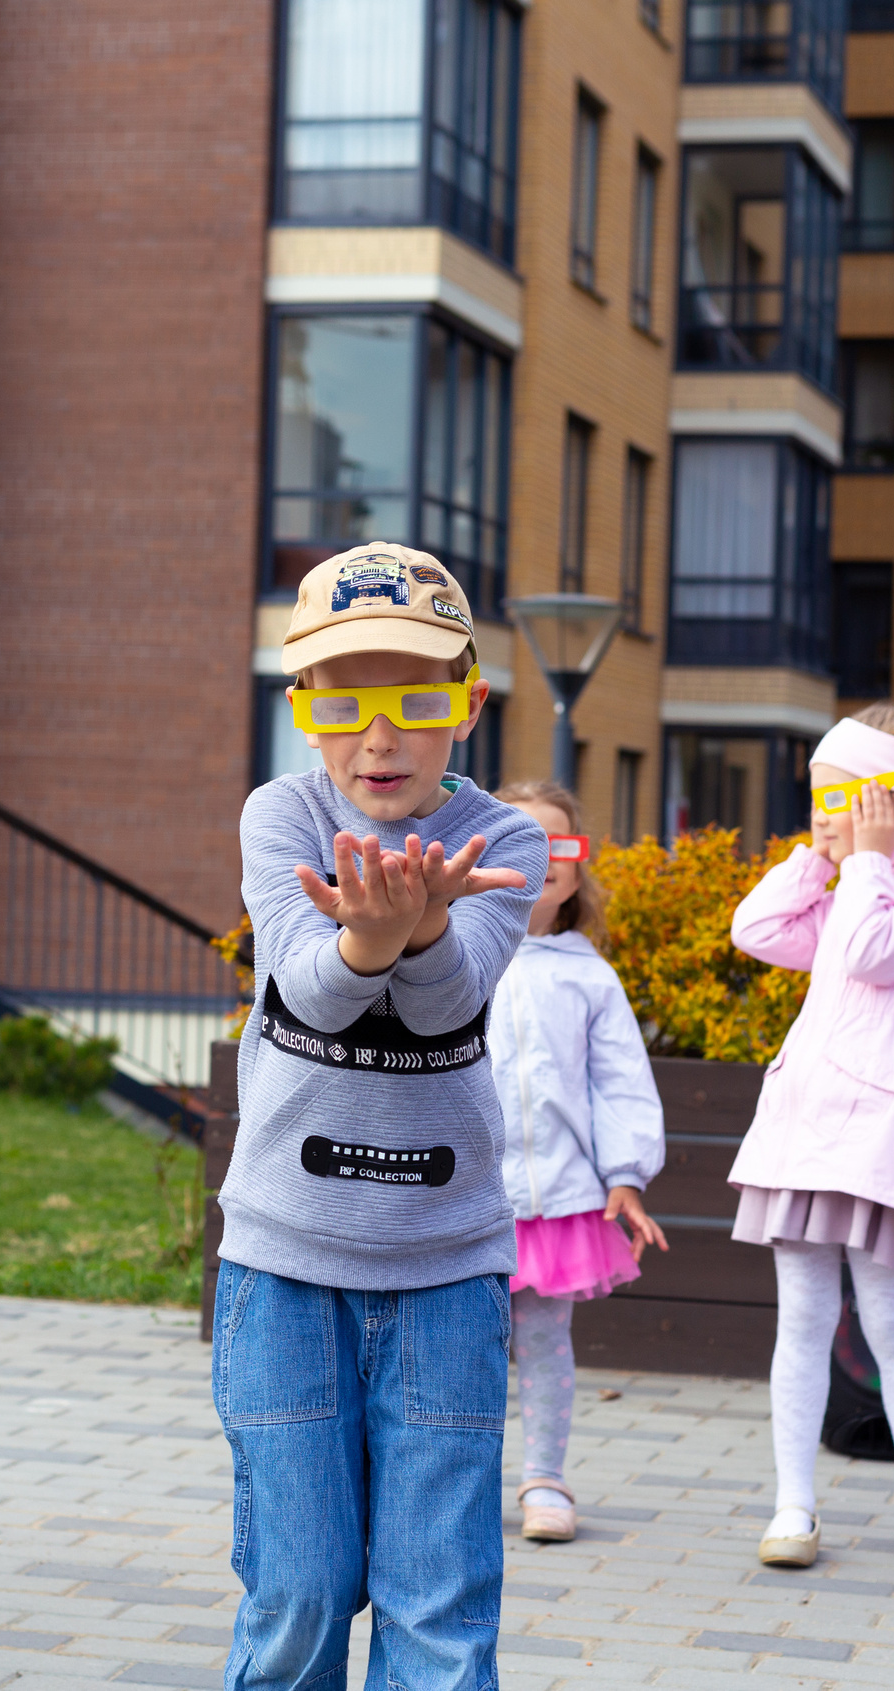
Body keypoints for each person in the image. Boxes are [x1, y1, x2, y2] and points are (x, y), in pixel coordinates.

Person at [220, 544, 544, 1690]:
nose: (378, 737)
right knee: (298, 1594)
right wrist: (375, 932)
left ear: (468, 704)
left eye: (414, 701)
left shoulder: (504, 841)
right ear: (301, 707)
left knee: (439, 1610)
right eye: (342, 704)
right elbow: (310, 990)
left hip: (447, 1268)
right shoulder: (280, 815)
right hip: (284, 1265)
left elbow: (452, 1001)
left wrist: (424, 928)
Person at [726, 699, 894, 1574]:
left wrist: (869, 864)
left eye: (838, 799)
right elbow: (757, 930)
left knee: (893, 1319)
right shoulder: (855, 881)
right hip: (806, 1126)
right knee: (803, 1318)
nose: (821, 815)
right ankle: (793, 1505)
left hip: (885, 1137)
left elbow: (869, 952)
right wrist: (822, 861)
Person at [487, 781, 667, 1547]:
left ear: (576, 868)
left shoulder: (589, 974)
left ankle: (544, 1478)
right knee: (463, 1350)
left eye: (559, 844)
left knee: (544, 1343)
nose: (543, 858)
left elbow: (620, 1081)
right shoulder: (453, 953)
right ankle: (460, 1481)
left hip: (559, 1202)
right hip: (469, 1200)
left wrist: (625, 1175)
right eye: (524, 840)